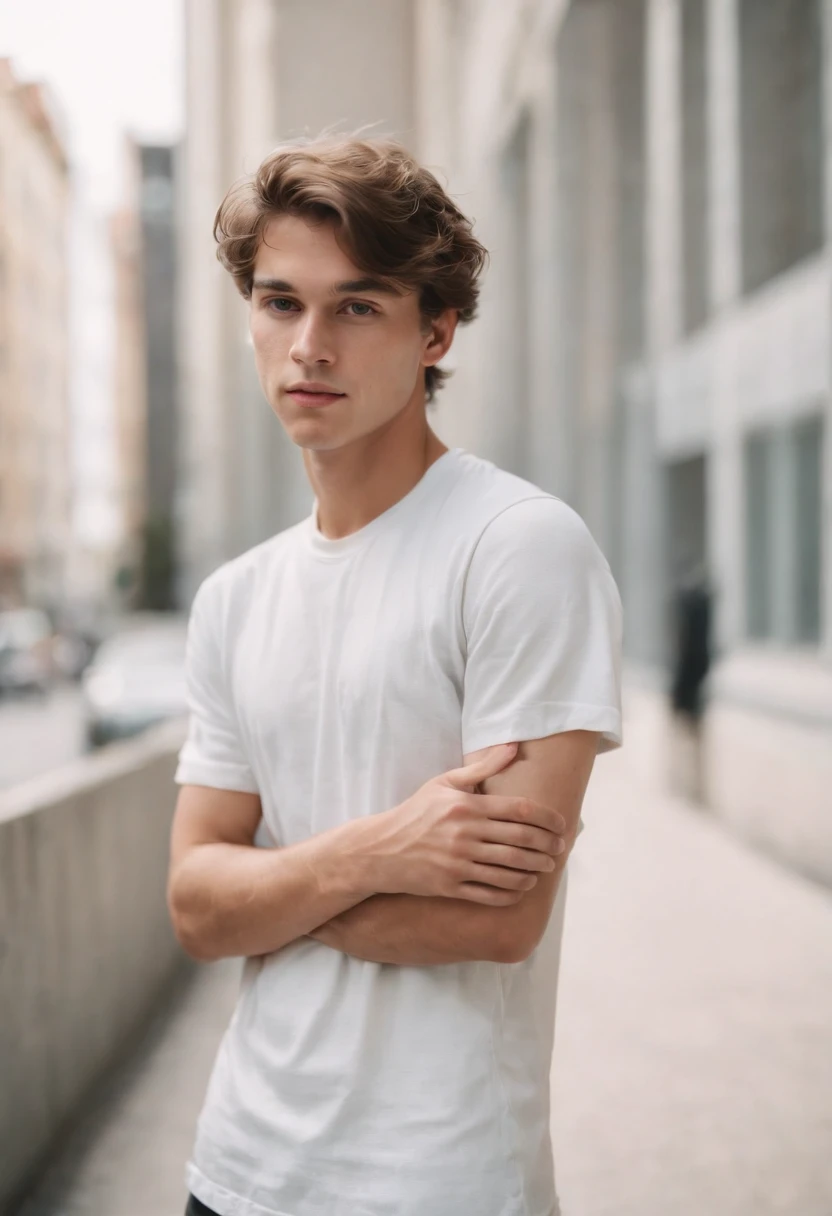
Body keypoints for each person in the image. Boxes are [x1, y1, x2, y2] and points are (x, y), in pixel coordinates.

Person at [168, 135, 623, 1216]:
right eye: (280, 303)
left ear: (436, 329)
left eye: (357, 306)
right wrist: (382, 850)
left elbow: (495, 920)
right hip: (232, 1168)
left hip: (436, 1178)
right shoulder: (235, 597)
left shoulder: (517, 546)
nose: (309, 345)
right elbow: (192, 906)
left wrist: (270, 889)